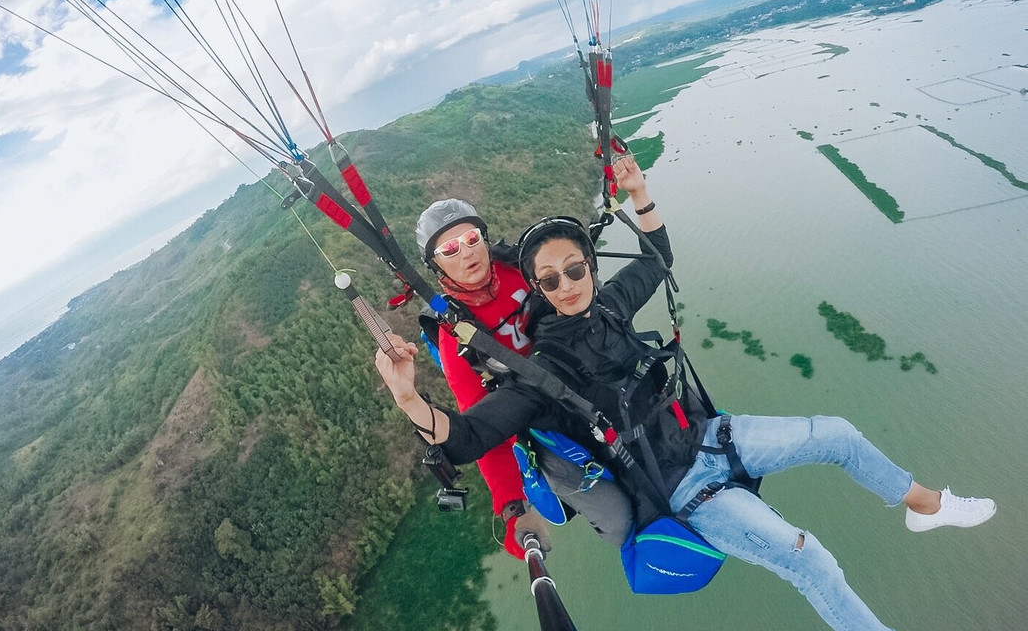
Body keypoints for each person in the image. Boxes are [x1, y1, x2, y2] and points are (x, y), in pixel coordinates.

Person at [376, 156, 996, 631]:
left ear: (591, 267)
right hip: (681, 489)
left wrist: (640, 194)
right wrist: (409, 398)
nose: (566, 285)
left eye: (575, 270)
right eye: (550, 280)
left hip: (709, 435)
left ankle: (924, 505)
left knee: (836, 432)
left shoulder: (612, 302)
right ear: (536, 289)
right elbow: (470, 437)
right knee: (810, 560)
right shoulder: (542, 373)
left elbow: (658, 256)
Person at [413, 197, 633, 557]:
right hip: (540, 419)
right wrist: (514, 509)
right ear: (436, 266)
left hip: (587, 376)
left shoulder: (521, 270)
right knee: (617, 523)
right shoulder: (455, 339)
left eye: (472, 239)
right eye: (450, 249)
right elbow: (482, 428)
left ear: (484, 239)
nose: (467, 253)